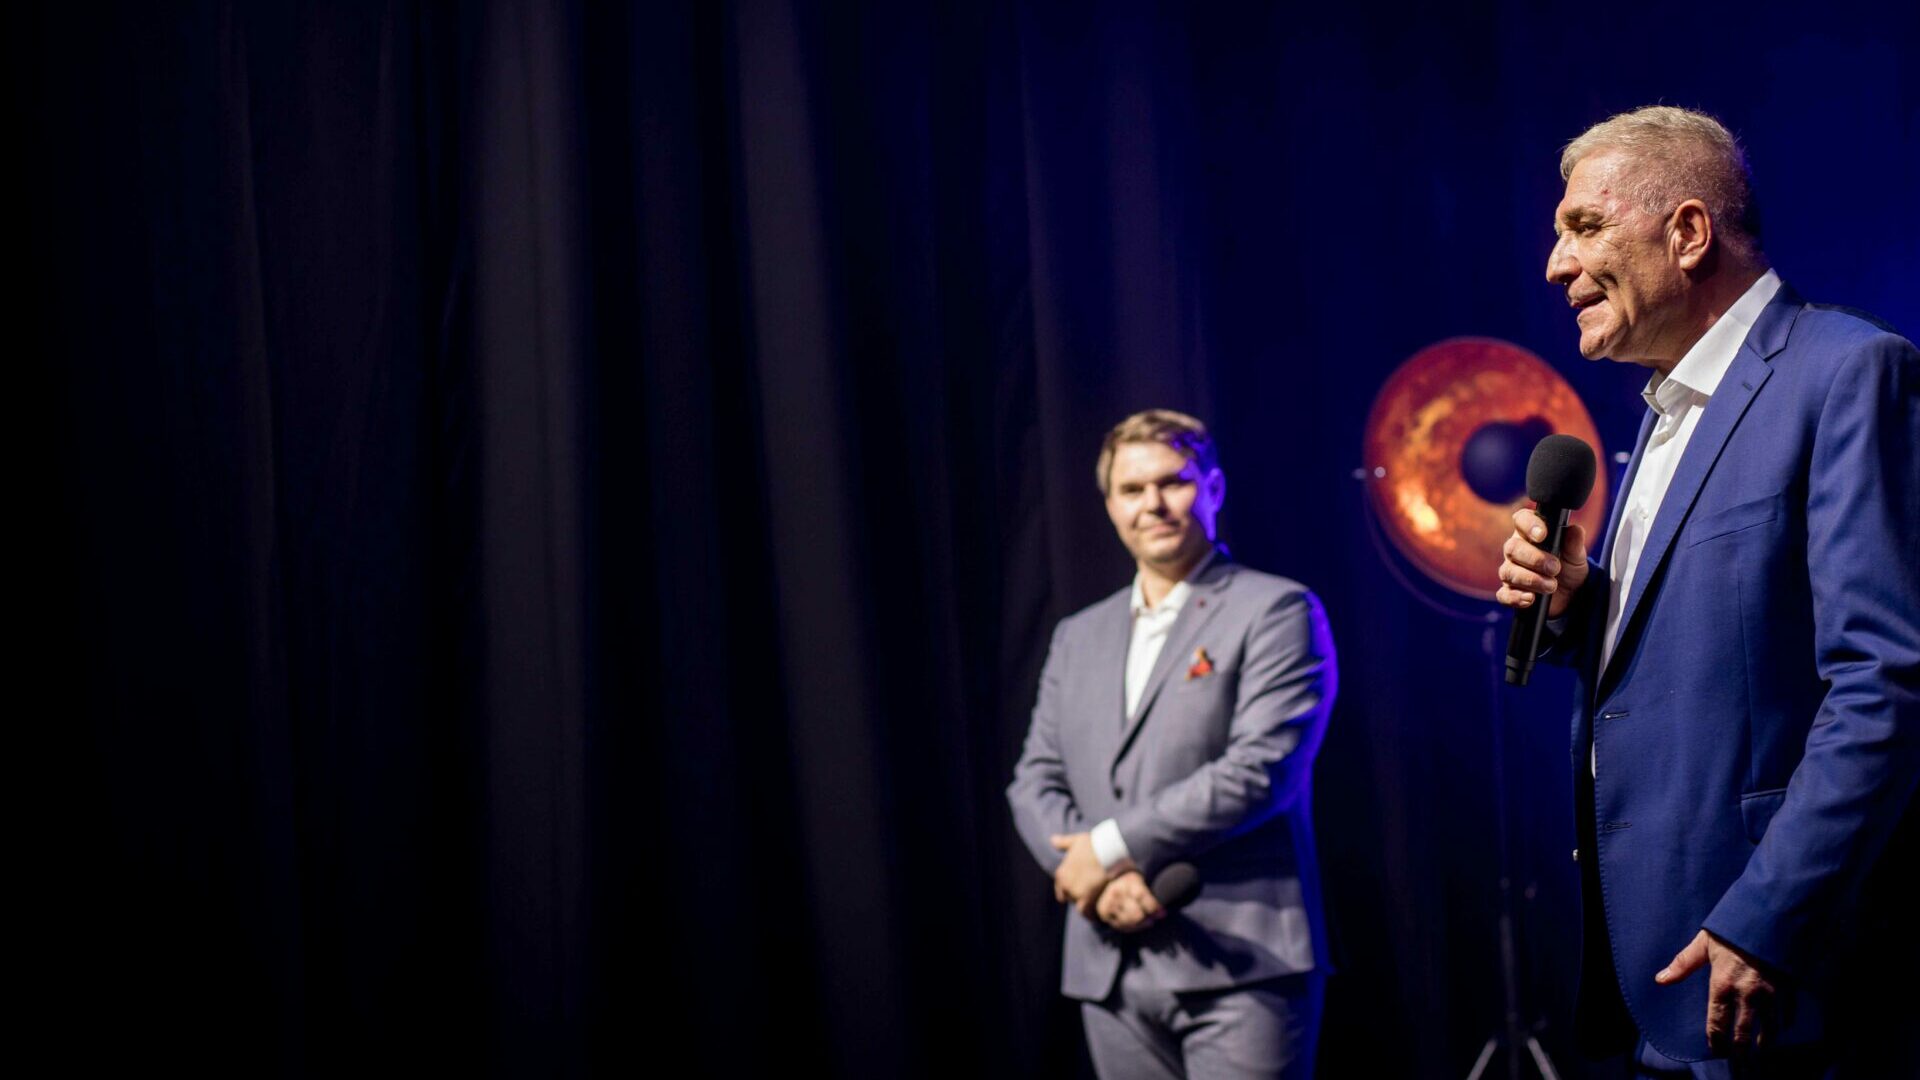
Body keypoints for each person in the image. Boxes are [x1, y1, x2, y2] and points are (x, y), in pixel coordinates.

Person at [1497, 106, 1919, 1076]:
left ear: (1687, 232)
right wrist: (1579, 608)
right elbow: (1722, 643)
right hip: (1659, 963)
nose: (1556, 265)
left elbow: (1887, 682)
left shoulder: (1847, 373)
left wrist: (1769, 915)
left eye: (1584, 226)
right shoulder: (1667, 405)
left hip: (1777, 974)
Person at [1007, 410, 1336, 1079]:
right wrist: (1094, 882)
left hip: (1242, 964)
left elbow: (1261, 771)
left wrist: (1105, 851)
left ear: (1213, 489)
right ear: (1109, 505)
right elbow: (1034, 779)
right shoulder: (1078, 635)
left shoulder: (1277, 610)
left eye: (1173, 482)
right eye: (1132, 490)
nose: (1152, 504)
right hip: (1110, 962)